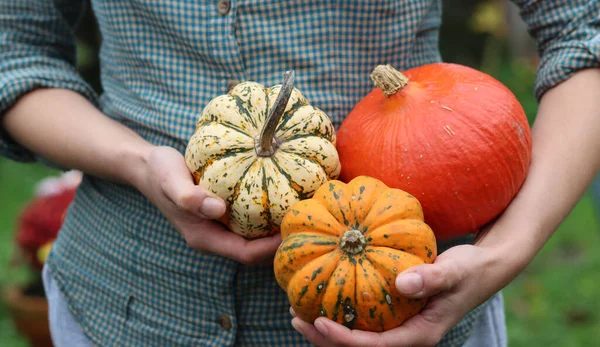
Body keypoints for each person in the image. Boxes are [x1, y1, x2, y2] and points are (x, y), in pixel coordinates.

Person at [1, 1, 598, 346]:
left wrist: (506, 252)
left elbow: (584, 31)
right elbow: (13, 51)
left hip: (404, 290)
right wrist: (136, 162)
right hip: (127, 303)